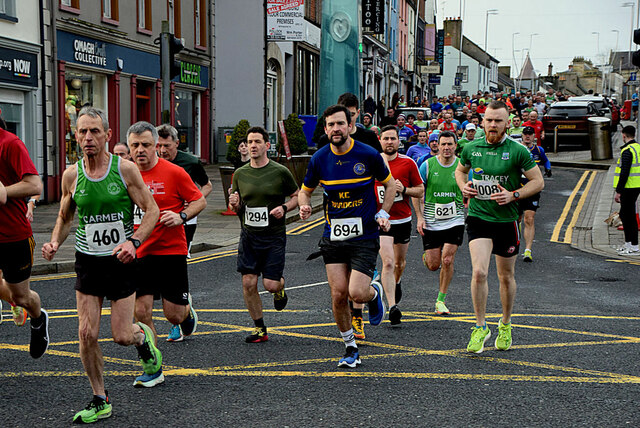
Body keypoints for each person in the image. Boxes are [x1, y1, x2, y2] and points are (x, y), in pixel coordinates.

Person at [42, 107, 162, 423]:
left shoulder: (124, 170)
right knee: (86, 332)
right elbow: (65, 216)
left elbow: (151, 210)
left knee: (122, 335)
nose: (88, 137)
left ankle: (143, 340)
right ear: (76, 136)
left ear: (108, 135)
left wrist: (133, 242)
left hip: (120, 261)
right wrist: (55, 241)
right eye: (82, 131)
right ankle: (100, 398)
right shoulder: (72, 175)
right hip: (88, 262)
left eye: (95, 131)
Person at [298, 104, 394, 368]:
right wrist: (305, 203)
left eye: (340, 124)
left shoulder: (368, 154)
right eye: (330, 125)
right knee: (339, 294)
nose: (335, 129)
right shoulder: (319, 158)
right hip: (334, 236)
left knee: (356, 292)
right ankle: (350, 347)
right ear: (326, 129)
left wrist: (384, 212)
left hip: (364, 235)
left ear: (350, 126)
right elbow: (304, 190)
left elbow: (390, 184)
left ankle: (374, 294)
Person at [455, 101, 544, 354]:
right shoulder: (471, 148)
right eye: (489, 120)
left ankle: (505, 323)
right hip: (479, 217)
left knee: (505, 276)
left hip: (506, 221)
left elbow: (537, 182)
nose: (493, 125)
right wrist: (464, 186)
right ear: (482, 121)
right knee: (479, 273)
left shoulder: (517, 151)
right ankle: (480, 327)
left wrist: (514, 195)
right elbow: (460, 172)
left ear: (507, 123)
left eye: (498, 121)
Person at [127, 121, 205, 387]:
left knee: (174, 315)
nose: (140, 150)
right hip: (138, 251)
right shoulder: (124, 175)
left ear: (156, 146)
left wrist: (181, 215)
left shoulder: (174, 172)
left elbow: (199, 200)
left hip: (171, 250)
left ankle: (187, 312)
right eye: (135, 145)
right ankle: (153, 366)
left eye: (146, 145)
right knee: (141, 310)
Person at [229, 126, 299, 343]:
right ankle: (260, 328)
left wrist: (285, 208)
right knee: (249, 283)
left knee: (270, 284)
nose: (252, 146)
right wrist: (234, 204)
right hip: (249, 236)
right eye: (249, 142)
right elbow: (237, 206)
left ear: (267, 146)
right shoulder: (240, 173)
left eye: (257, 142)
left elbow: (297, 196)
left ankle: (280, 288)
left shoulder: (280, 172)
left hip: (273, 236)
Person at [0, 123, 48, 357]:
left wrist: (5, 192)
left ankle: (38, 318)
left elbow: (34, 184)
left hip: (13, 236)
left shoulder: (10, 144)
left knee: (20, 297)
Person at [376, 126, 424, 326]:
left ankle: (396, 282)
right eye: (386, 138)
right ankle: (392, 306)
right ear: (380, 140)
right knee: (387, 262)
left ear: (399, 141)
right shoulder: (373, 162)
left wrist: (404, 189)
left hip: (402, 220)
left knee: (398, 263)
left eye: (393, 139)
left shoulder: (408, 163)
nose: (389, 142)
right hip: (380, 221)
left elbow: (420, 191)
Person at [413, 131, 464, 315]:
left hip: (455, 219)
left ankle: (440, 300)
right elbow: (418, 192)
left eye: (450, 144)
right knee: (434, 265)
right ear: (436, 145)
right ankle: (428, 257)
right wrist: (419, 217)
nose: (446, 148)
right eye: (443, 144)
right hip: (432, 220)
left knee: (448, 259)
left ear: (455, 146)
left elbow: (470, 188)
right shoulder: (427, 166)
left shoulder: (462, 166)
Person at [156, 124, 213, 258]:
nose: (162, 150)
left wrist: (193, 201)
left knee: (180, 254)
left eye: (167, 146)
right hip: (160, 215)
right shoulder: (151, 160)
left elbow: (207, 186)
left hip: (185, 217)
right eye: (158, 146)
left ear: (177, 143)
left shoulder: (191, 162)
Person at [519, 126, 551, 263]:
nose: (527, 136)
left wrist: (548, 168)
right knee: (517, 218)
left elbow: (546, 160)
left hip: (532, 189)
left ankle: (528, 250)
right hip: (517, 189)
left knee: (529, 218)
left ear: (534, 136)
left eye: (530, 134)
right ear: (522, 135)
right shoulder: (517, 149)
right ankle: (515, 243)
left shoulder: (538, 150)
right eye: (525, 134)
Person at [318, 93, 382, 153]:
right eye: (344, 115)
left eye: (351, 114)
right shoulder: (326, 139)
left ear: (358, 113)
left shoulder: (369, 137)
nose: (348, 119)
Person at [614, 125, 640, 256]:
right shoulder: (637, 148)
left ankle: (634, 246)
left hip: (628, 187)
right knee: (625, 215)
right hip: (635, 186)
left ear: (624, 135)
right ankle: (628, 244)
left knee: (628, 217)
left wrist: (619, 191)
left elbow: (624, 172)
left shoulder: (627, 151)